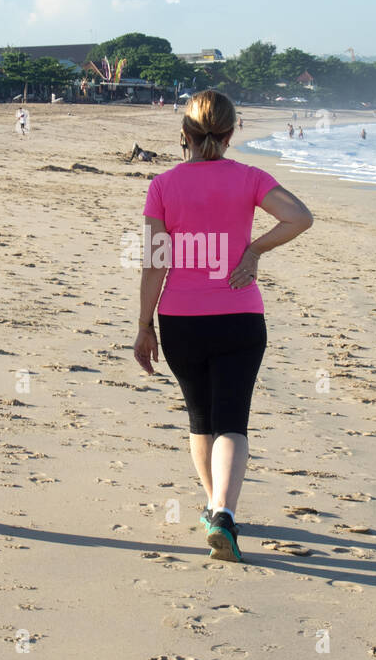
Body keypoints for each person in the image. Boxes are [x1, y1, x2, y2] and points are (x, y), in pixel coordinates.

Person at [134, 90, 313, 562]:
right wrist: (254, 251)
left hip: (180, 320)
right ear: (231, 134)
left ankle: (216, 510)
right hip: (240, 317)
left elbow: (155, 263)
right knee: (232, 419)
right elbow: (300, 217)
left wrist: (143, 325)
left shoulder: (163, 185)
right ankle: (223, 513)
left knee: (201, 418)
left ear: (184, 136)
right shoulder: (250, 177)